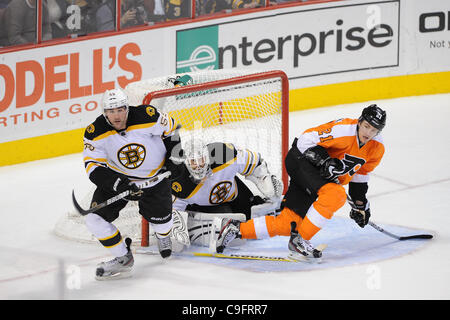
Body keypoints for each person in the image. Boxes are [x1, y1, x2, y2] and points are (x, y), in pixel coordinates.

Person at [216, 104, 387, 260]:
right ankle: (301, 240)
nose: (368, 133)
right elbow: (306, 139)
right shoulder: (343, 130)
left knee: (287, 223)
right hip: (300, 161)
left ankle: (236, 229)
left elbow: (361, 173)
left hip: (319, 177)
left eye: (374, 130)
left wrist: (359, 202)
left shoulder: (377, 148)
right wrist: (324, 160)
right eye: (366, 126)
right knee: (335, 195)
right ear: (359, 122)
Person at [82, 88, 182, 280]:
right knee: (93, 220)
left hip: (155, 178)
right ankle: (123, 258)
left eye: (120, 110)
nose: (116, 116)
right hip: (120, 180)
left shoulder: (147, 115)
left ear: (127, 108)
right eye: (111, 112)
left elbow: (172, 130)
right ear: (104, 112)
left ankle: (163, 236)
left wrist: (175, 158)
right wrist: (119, 184)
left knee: (162, 223)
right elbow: (93, 167)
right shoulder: (94, 132)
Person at [170, 138, 283, 246]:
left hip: (235, 195)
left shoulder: (224, 155)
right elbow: (174, 213)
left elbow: (254, 162)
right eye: (194, 162)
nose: (199, 166)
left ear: (207, 157)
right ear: (186, 163)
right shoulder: (179, 181)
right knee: (224, 222)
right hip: (205, 207)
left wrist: (264, 177)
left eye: (201, 160)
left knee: (253, 216)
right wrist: (173, 230)